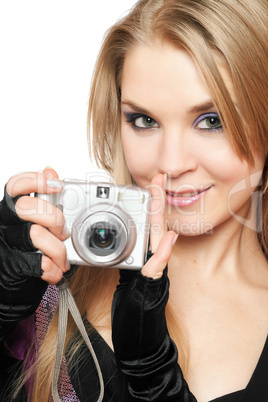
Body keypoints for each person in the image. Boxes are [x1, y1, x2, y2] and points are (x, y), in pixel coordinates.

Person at [0, 0, 268, 401]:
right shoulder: (51, 284)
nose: (171, 163)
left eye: (212, 121)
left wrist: (152, 379)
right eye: (144, 120)